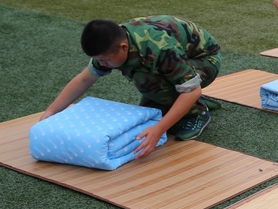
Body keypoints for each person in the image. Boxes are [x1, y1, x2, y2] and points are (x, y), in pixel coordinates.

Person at [40, 16, 222, 156]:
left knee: (151, 84)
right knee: (151, 107)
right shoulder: (111, 46)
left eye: (105, 60)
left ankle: (197, 111)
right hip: (180, 62)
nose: (101, 64)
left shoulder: (159, 48)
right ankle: (178, 101)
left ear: (123, 47)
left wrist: (159, 130)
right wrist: (51, 111)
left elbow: (192, 89)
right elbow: (84, 79)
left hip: (205, 60)